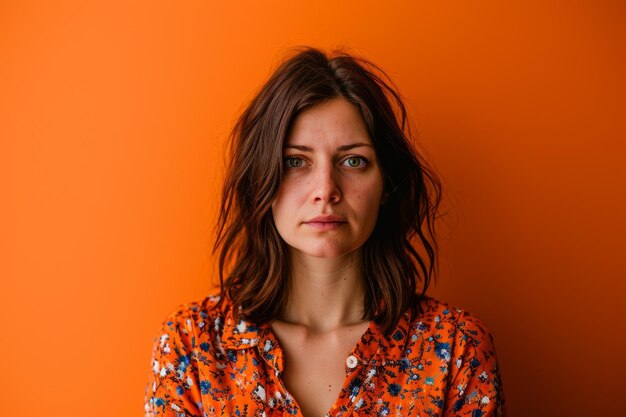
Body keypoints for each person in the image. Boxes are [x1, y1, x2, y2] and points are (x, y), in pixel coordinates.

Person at [144, 46, 507, 417]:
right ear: (260, 180)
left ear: (387, 184)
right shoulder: (192, 347)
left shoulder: (455, 349)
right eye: (295, 161)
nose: (325, 190)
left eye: (353, 161)